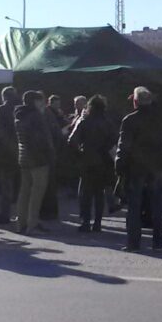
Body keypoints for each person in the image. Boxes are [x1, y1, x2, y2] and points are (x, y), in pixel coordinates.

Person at [115, 86, 162, 251]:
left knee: (134, 205)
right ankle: (158, 242)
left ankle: (133, 242)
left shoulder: (129, 120)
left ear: (135, 102)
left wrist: (119, 165)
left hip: (136, 166)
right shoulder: (159, 119)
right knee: (157, 203)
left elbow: (124, 145)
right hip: (156, 165)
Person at [68, 95, 117, 232]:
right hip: (104, 160)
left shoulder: (84, 121)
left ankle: (85, 222)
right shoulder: (108, 122)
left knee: (85, 192)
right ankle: (98, 223)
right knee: (99, 193)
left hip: (87, 160)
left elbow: (72, 140)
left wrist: (80, 153)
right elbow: (114, 139)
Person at [15, 91, 54, 235]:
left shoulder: (19, 115)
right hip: (38, 158)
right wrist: (50, 153)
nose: (43, 103)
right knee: (37, 193)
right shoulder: (37, 116)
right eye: (40, 101)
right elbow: (43, 139)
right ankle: (32, 224)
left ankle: (21, 223)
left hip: (23, 156)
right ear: (35, 102)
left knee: (24, 191)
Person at [0, 86, 20, 224]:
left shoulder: (2, 109)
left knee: (6, 186)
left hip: (6, 153)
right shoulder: (20, 109)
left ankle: (5, 214)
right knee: (21, 185)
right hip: (21, 150)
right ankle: (22, 214)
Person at [40, 94, 65, 221]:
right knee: (48, 184)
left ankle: (46, 212)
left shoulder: (44, 114)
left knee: (45, 184)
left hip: (44, 153)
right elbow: (56, 133)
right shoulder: (48, 114)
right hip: (49, 152)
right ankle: (49, 212)